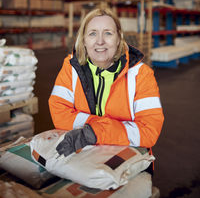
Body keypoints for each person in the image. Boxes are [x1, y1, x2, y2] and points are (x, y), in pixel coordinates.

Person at [49, 8, 164, 158]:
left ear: (118, 39)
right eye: (92, 33)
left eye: (108, 33)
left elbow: (149, 131)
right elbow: (59, 113)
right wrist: (95, 130)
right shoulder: (70, 69)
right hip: (80, 155)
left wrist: (94, 132)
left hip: (126, 161)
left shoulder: (141, 75)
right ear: (83, 40)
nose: (100, 41)